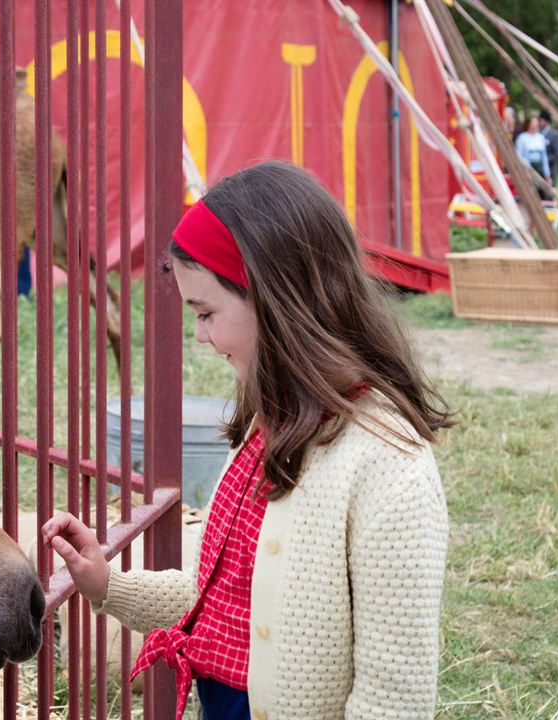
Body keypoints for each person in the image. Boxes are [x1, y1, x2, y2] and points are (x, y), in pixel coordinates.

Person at [42, 162, 452, 719]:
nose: (200, 336)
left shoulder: (388, 462)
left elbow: (395, 691)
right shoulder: (271, 425)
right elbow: (214, 600)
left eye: (207, 313)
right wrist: (108, 584)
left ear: (278, 298)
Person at [515, 115, 551, 197]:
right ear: (528, 124)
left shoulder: (540, 137)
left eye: (536, 123)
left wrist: (547, 173)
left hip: (538, 168)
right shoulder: (522, 138)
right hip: (527, 167)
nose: (535, 125)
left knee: (538, 189)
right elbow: (519, 155)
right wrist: (525, 169)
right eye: (533, 123)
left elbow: (544, 156)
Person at [538, 109, 558, 185]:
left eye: (541, 120)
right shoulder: (537, 133)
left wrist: (544, 161)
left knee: (548, 195)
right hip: (537, 170)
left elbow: (557, 153)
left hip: (550, 169)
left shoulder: (555, 134)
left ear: (546, 121)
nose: (539, 122)